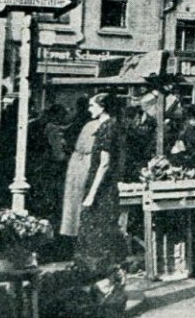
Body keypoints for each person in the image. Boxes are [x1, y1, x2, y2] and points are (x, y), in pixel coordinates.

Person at [66, 93, 127, 276]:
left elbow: (105, 163)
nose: (89, 108)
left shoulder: (106, 128)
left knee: (95, 233)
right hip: (105, 188)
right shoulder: (113, 126)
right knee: (101, 232)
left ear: (103, 107)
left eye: (92, 105)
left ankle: (95, 275)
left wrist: (92, 194)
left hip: (101, 190)